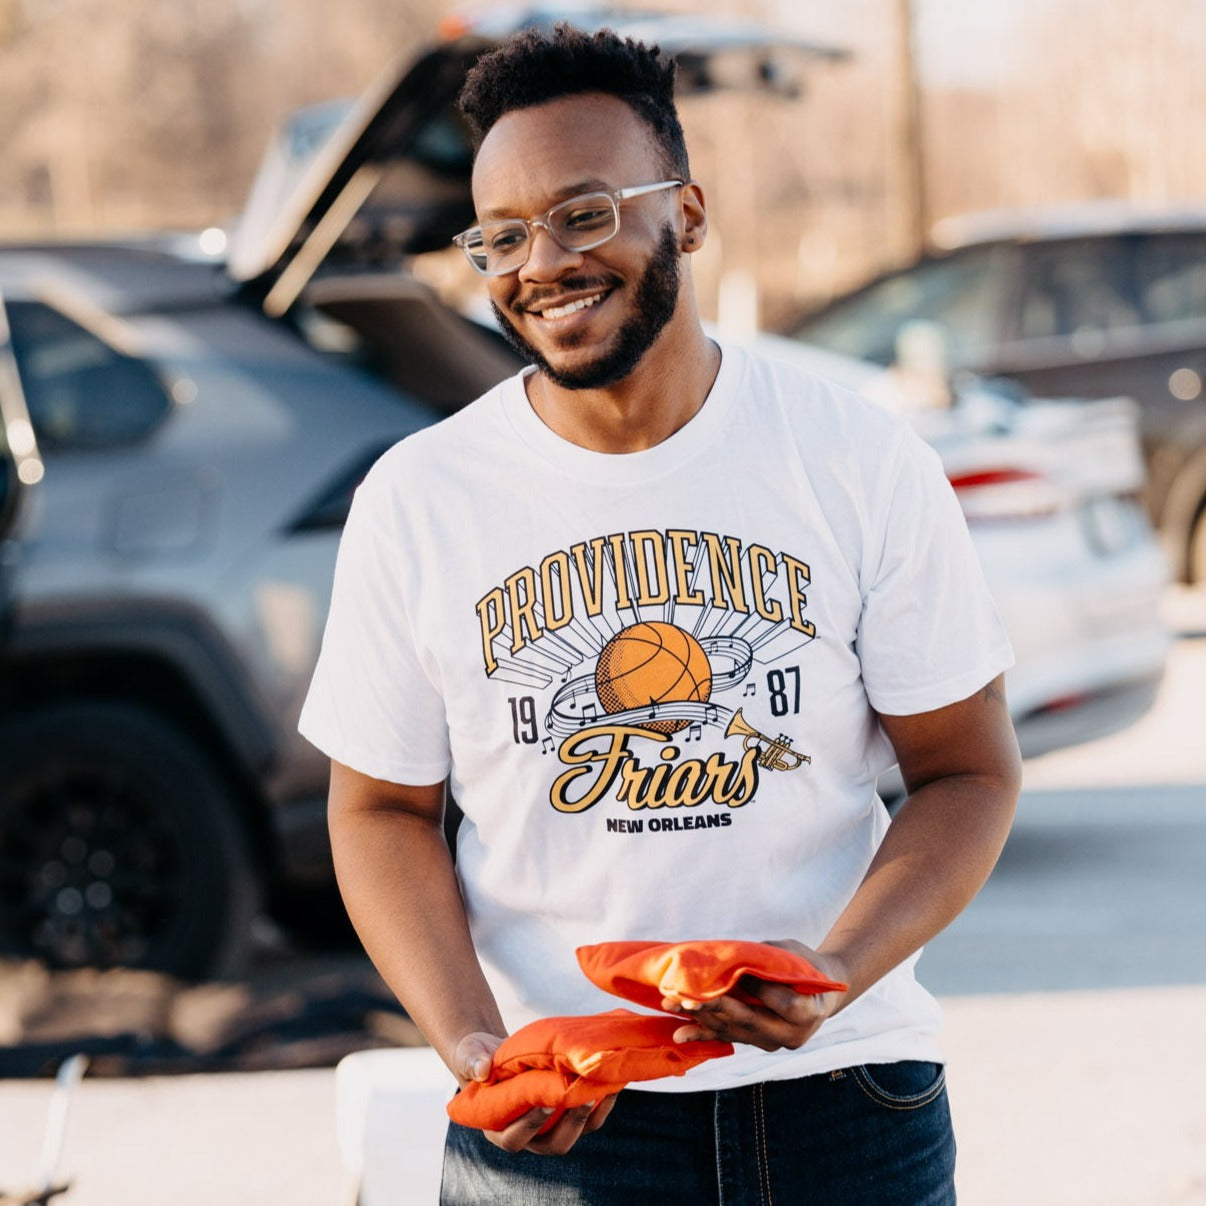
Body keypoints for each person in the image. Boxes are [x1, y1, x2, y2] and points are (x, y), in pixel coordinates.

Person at [299, 22, 1021, 1205]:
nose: (542, 262)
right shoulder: (419, 499)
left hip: (845, 1108)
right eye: (502, 235)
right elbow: (379, 810)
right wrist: (472, 1043)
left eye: (584, 215)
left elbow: (969, 772)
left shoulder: (855, 458)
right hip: (555, 1120)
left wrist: (835, 969)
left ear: (687, 213)